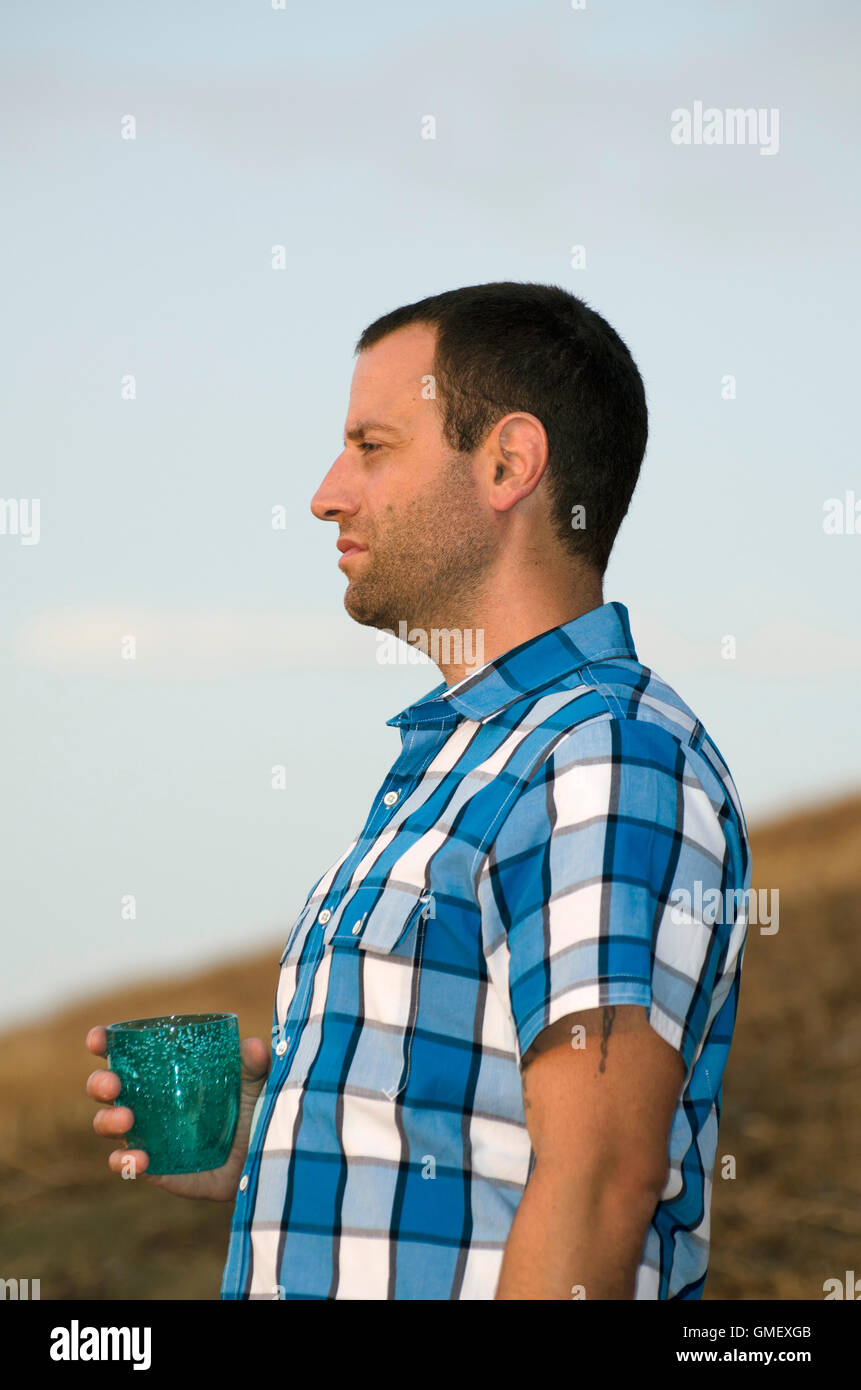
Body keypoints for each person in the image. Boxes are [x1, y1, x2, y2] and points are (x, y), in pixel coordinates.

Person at [87, 281, 752, 1300]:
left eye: (373, 445)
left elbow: (599, 1185)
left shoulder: (605, 759)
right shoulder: (459, 766)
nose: (325, 492)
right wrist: (272, 1146)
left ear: (508, 463)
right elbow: (473, 1156)